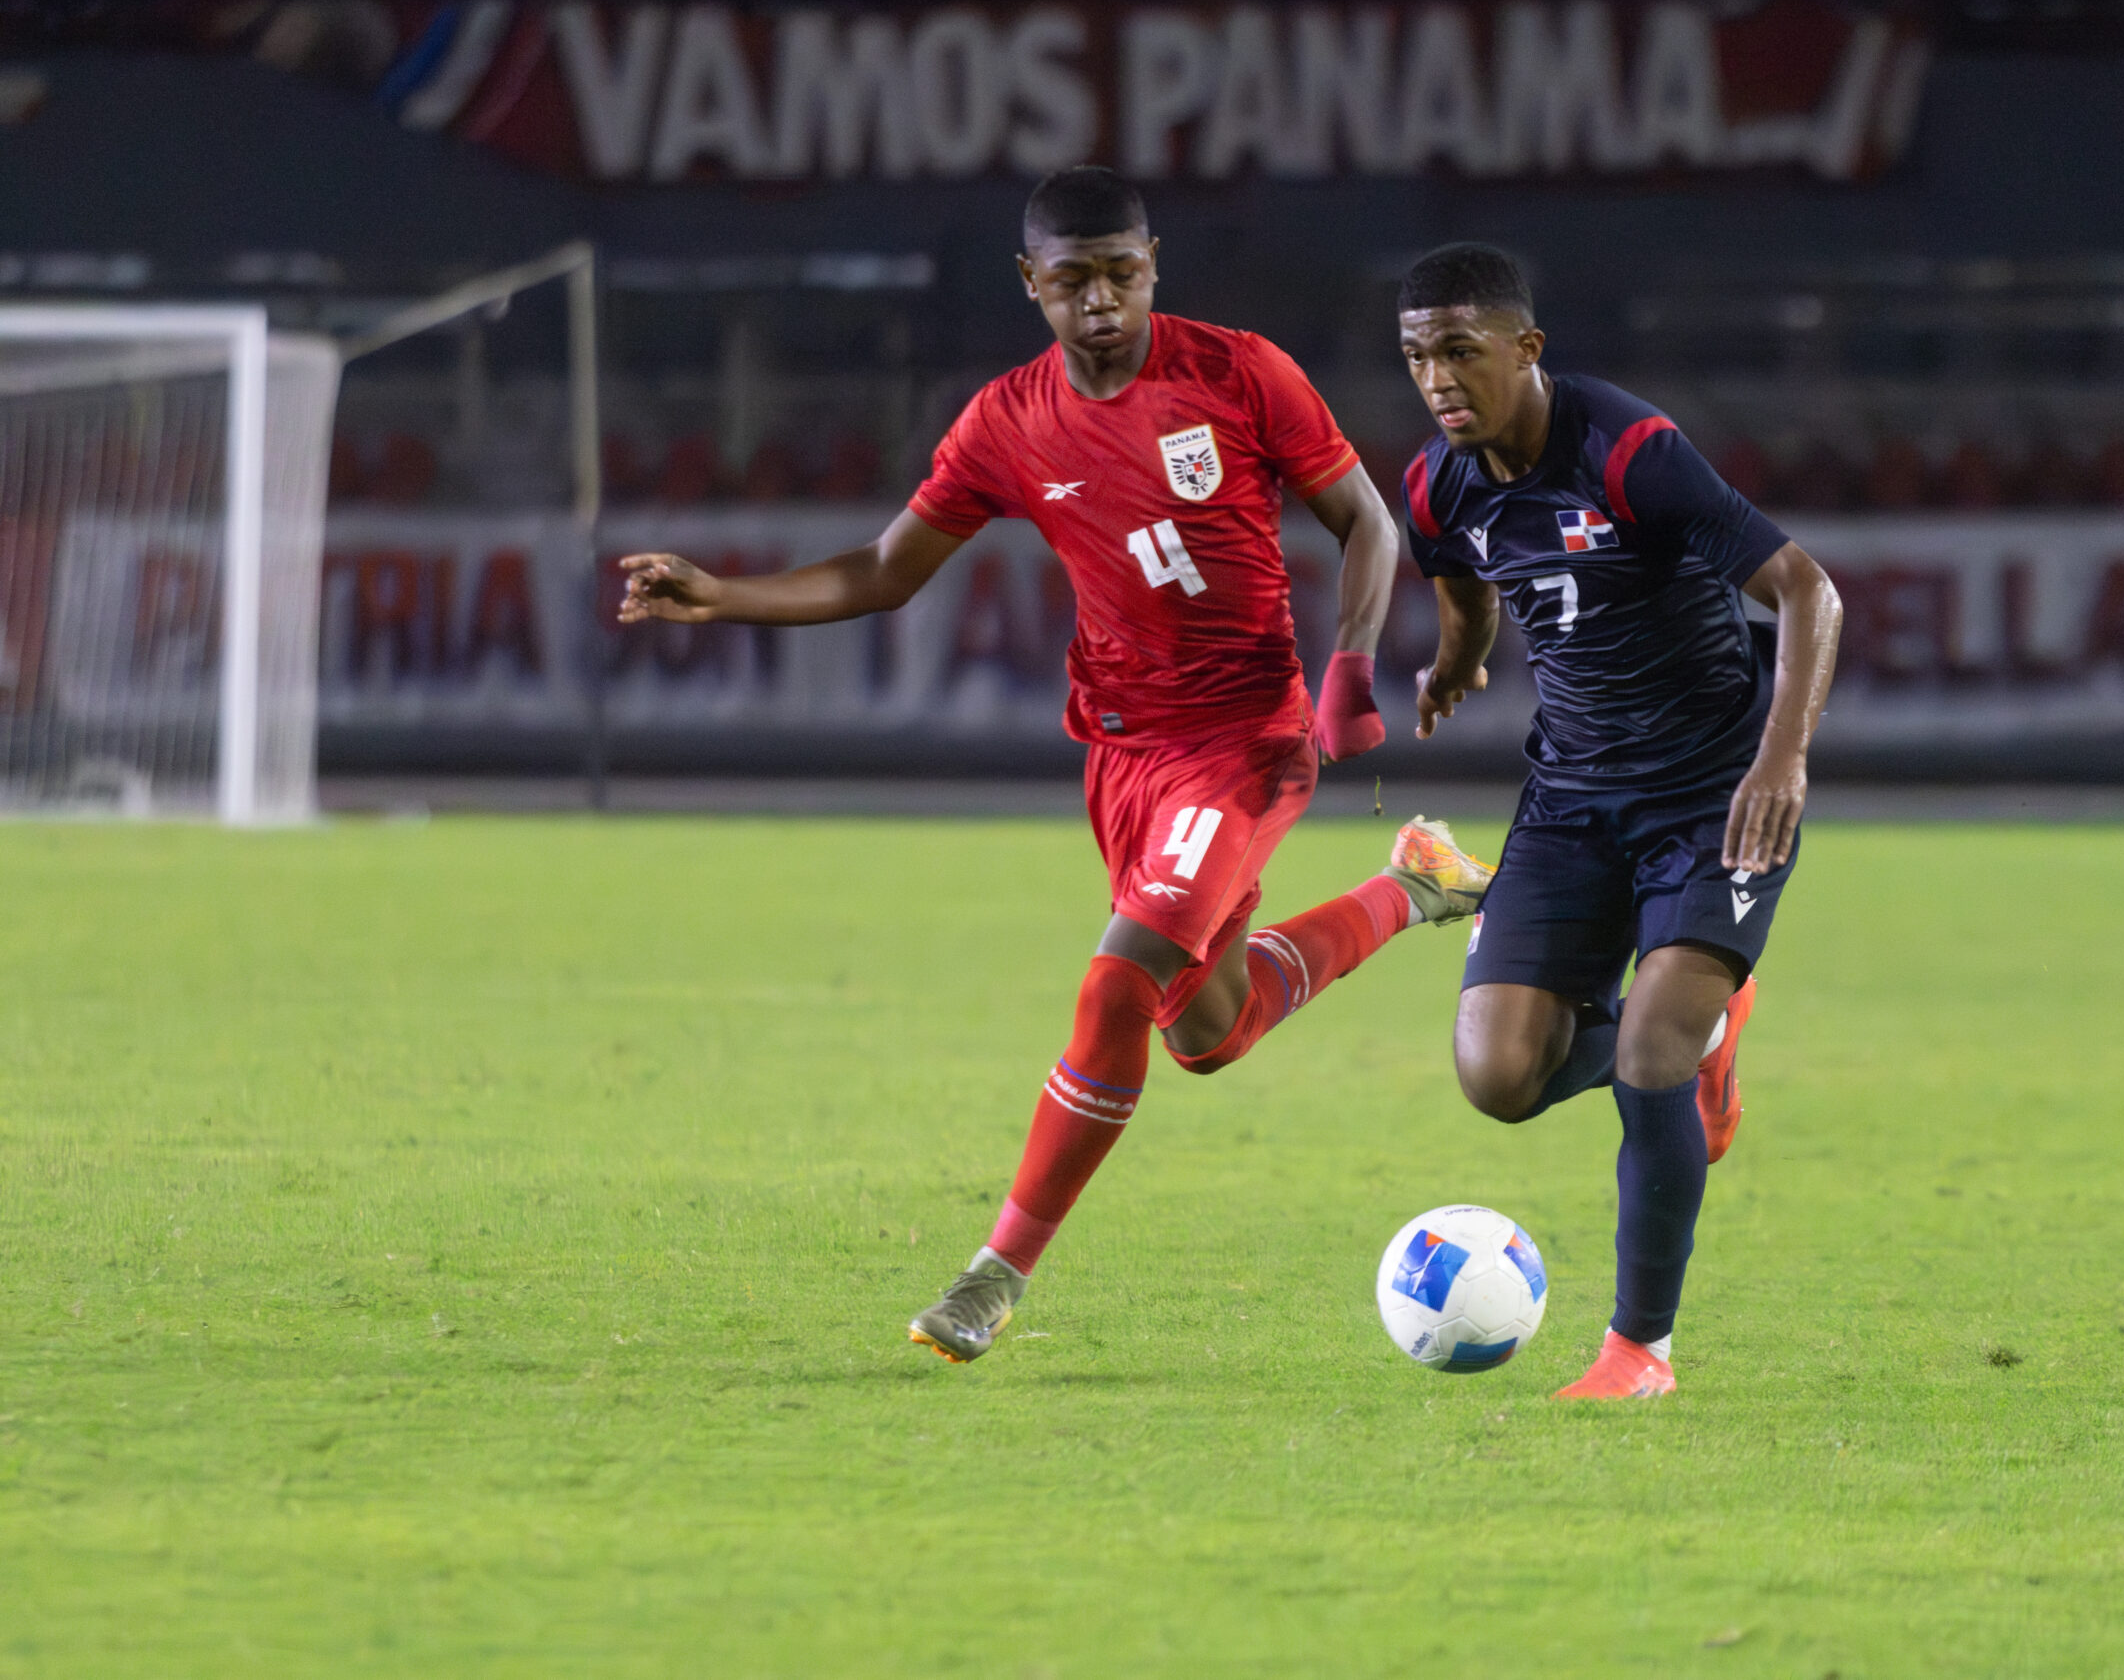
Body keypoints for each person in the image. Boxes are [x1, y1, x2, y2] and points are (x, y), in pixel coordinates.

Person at [618, 167, 1495, 1363]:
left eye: (1122, 273)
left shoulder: (1239, 372)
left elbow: (1368, 522)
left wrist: (1348, 663)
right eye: (1073, 279)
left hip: (1244, 743)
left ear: (1152, 264)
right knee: (1207, 1032)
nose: (1100, 301)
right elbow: (884, 570)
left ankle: (994, 1275)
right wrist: (722, 596)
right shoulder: (1007, 422)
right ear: (1030, 282)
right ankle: (1412, 884)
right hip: (1123, 755)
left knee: (1116, 986)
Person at [1395, 244, 1842, 1402]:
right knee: (1498, 1077)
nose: (1437, 379)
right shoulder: (1437, 485)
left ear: (1526, 348)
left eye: (1459, 351)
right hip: (1569, 801)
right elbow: (1461, 578)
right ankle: (1700, 1032)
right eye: (1417, 356)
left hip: (1713, 797)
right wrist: (1454, 662)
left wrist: (1781, 758)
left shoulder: (1627, 451)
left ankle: (1639, 1353)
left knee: (1649, 1057)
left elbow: (1807, 589)